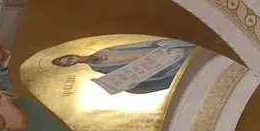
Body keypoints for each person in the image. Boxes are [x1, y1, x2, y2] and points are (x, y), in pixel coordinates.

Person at [51, 39, 195, 94]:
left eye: (69, 58)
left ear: (72, 54)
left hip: (147, 54)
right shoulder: (96, 68)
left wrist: (157, 48)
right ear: (72, 65)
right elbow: (121, 71)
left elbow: (131, 47)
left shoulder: (102, 52)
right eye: (69, 62)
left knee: (179, 55)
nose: (72, 60)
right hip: (146, 65)